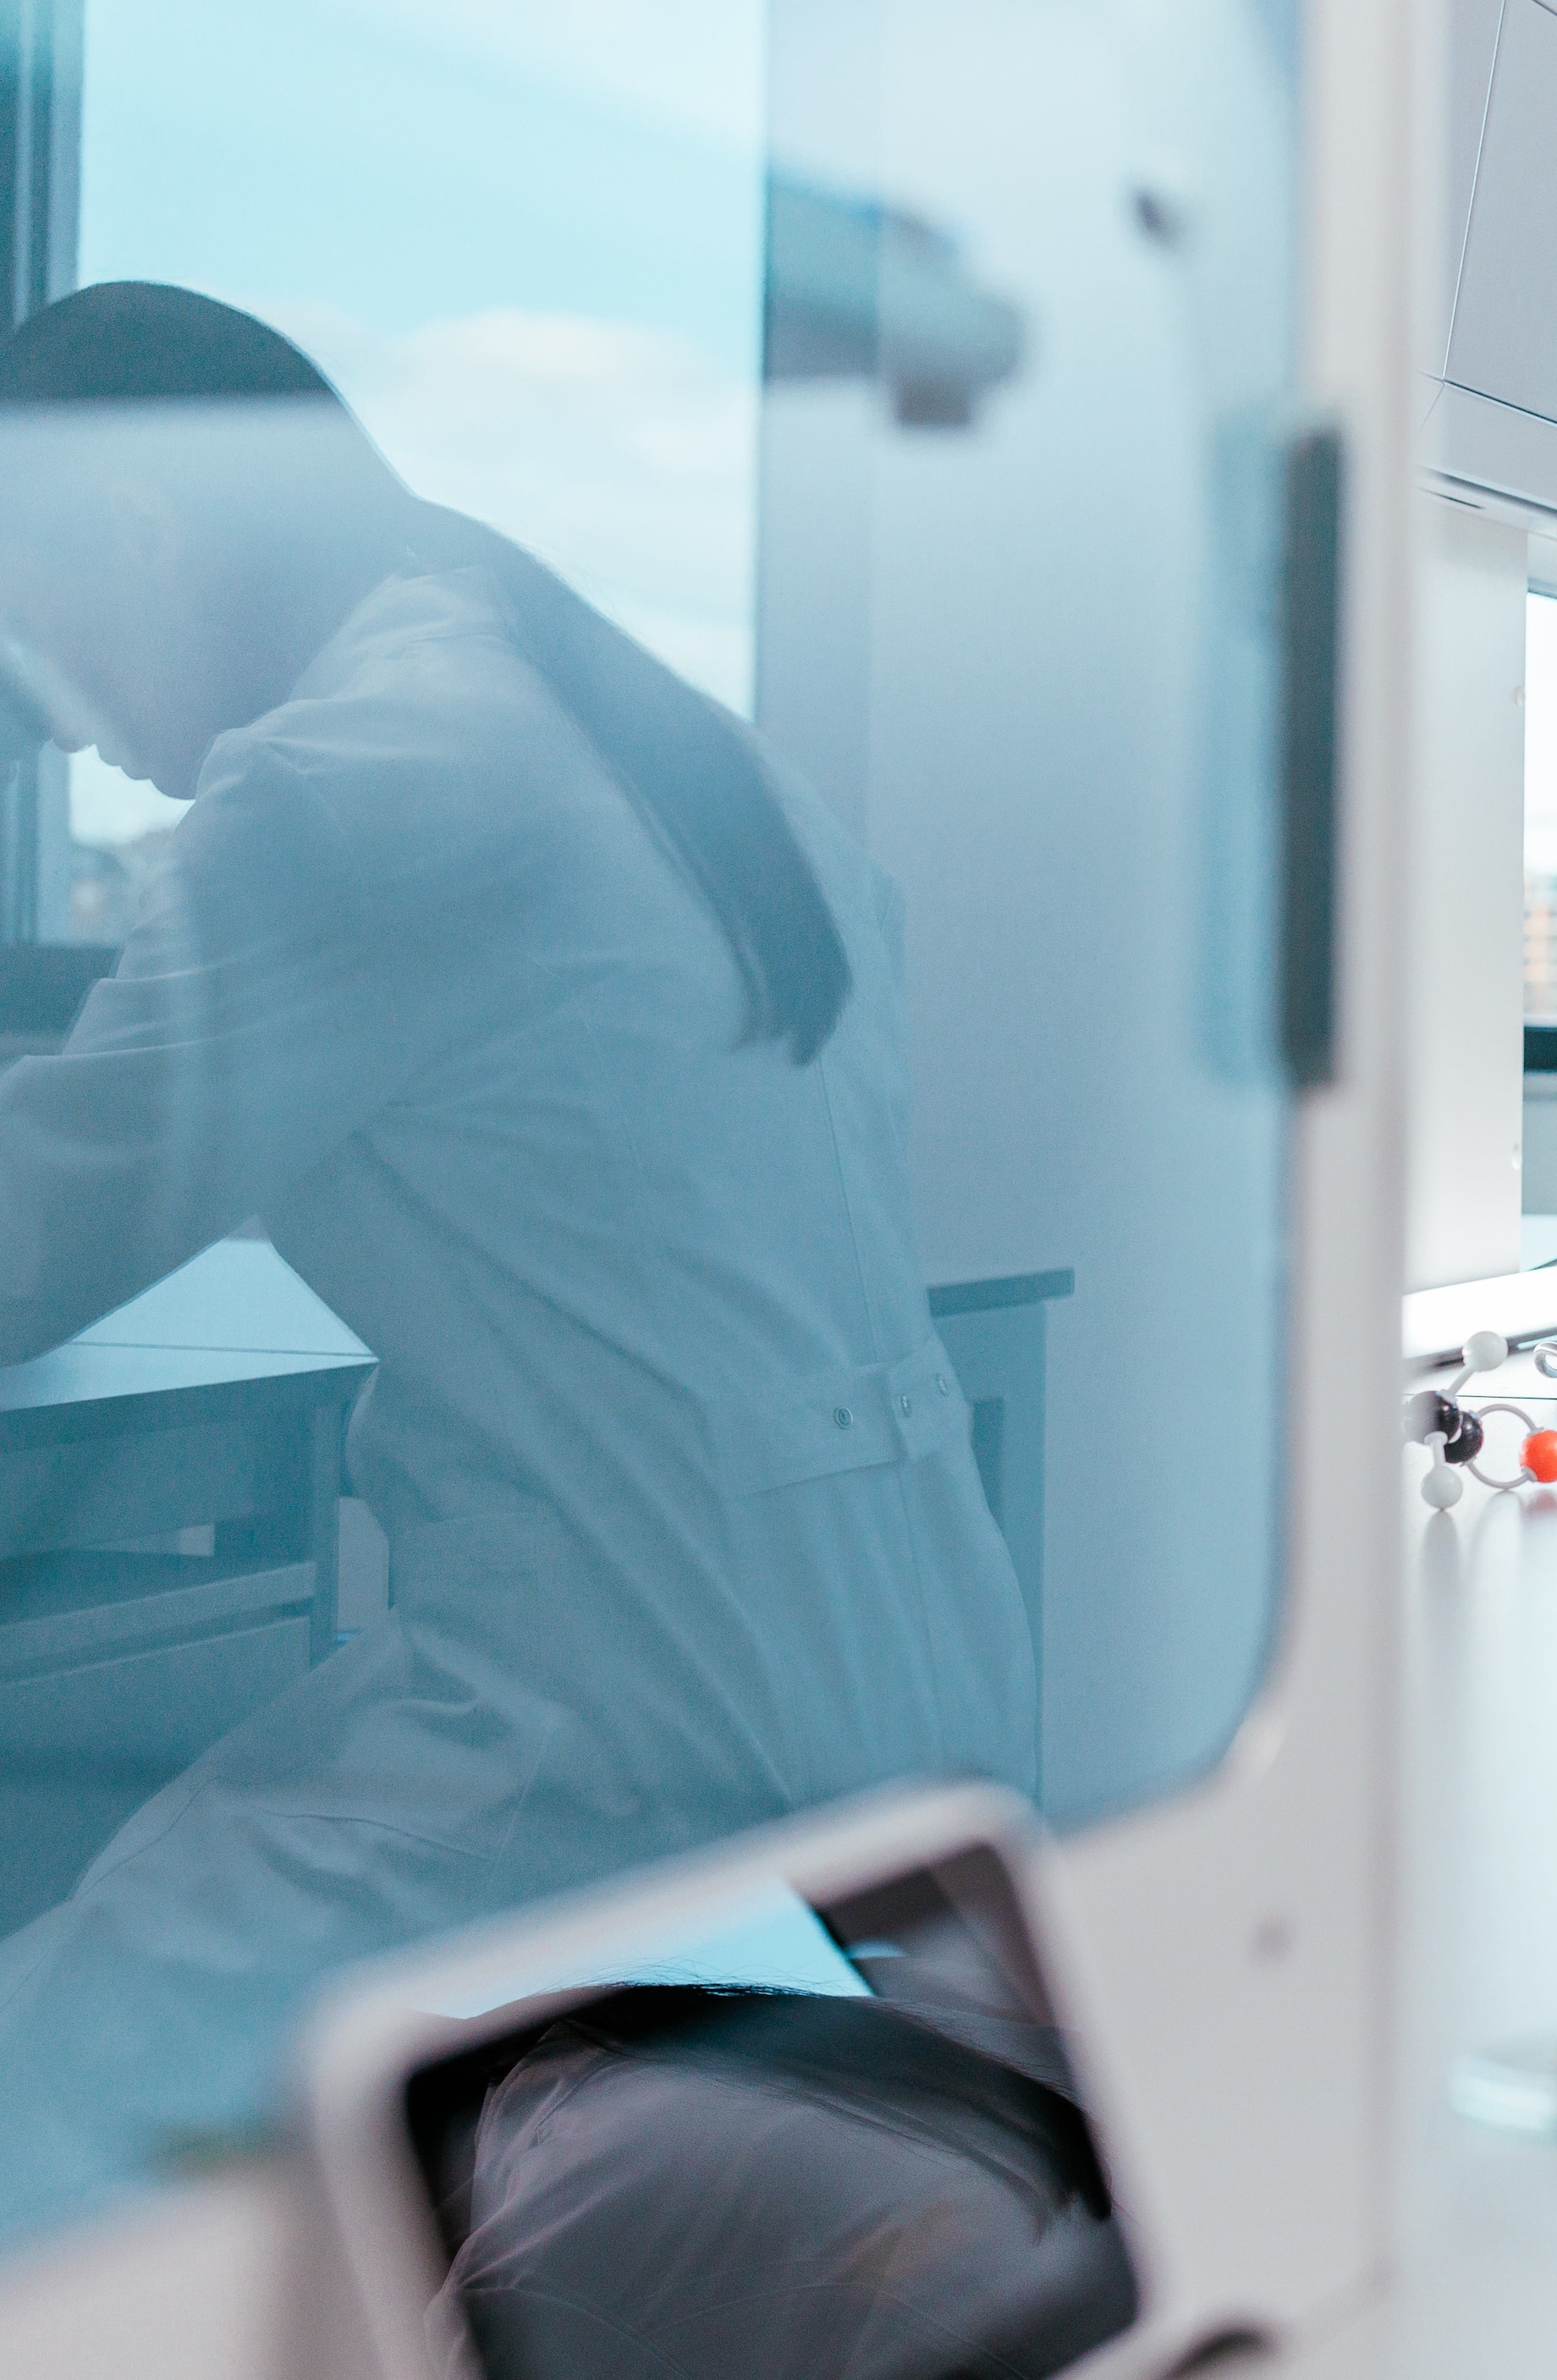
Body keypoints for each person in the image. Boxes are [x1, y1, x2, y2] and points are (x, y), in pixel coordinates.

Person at [0, 283, 1032, 2232]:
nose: (75, 725)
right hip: (912, 1692)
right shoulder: (661, 738)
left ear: (147, 532)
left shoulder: (347, 779)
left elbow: (42, 1237)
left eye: (40, 630)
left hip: (623, 1740)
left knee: (51, 2103)